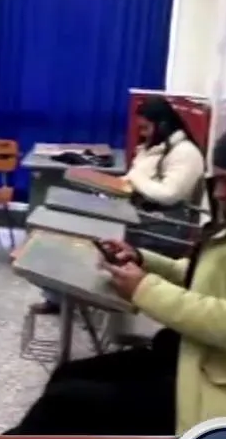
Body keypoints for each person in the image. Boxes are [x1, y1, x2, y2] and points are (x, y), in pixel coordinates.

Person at [6, 118, 226, 437]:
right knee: (69, 376)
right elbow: (204, 277)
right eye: (217, 181)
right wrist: (142, 260)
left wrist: (143, 288)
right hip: (206, 361)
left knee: (68, 404)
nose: (219, 193)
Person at [30, 96, 206, 315]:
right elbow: (136, 181)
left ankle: (62, 297)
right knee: (66, 228)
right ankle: (57, 295)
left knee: (82, 237)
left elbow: (168, 195)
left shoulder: (185, 153)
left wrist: (134, 180)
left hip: (158, 226)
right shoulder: (156, 147)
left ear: (162, 124)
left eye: (146, 128)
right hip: (136, 215)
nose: (142, 133)